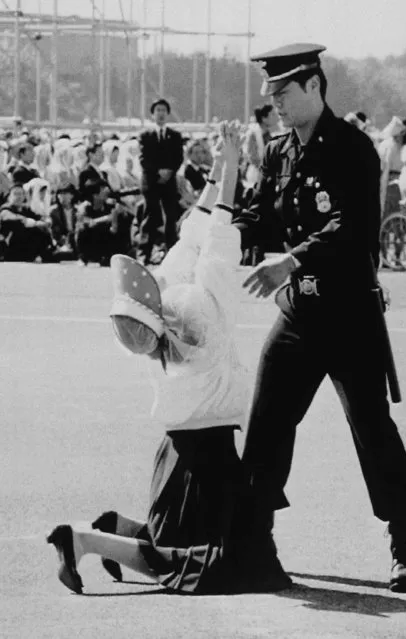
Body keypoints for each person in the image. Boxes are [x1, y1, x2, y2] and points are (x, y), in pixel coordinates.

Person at [46, 122, 289, 596]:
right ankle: (82, 540)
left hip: (175, 453)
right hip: (210, 459)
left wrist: (224, 167)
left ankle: (112, 527)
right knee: (207, 564)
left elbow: (198, 231)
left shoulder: (157, 319)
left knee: (187, 549)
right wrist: (233, 163)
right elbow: (214, 234)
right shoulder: (205, 317)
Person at [233, 43, 406, 593]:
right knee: (267, 422)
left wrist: (290, 259)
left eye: (284, 94)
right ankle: (255, 535)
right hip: (298, 311)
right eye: (271, 97)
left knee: (371, 428)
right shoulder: (277, 152)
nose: (276, 105)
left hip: (349, 314)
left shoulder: (353, 149)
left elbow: (354, 228)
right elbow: (258, 216)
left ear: (314, 87)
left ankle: (403, 538)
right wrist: (214, 230)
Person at [137, 98, 184, 265]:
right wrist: (158, 173)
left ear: (168, 113)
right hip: (151, 182)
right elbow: (144, 159)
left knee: (171, 217)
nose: (161, 113)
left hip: (169, 182)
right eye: (158, 110)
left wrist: (169, 172)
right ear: (152, 114)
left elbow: (178, 158)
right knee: (150, 216)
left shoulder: (175, 136)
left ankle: (172, 254)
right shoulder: (145, 135)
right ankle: (144, 253)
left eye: (164, 110)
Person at [0, 183, 57, 262]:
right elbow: (12, 217)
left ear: (24, 196)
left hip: (26, 247)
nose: (18, 197)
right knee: (34, 228)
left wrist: (46, 220)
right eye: (15, 194)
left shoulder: (26, 209)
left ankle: (50, 253)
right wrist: (33, 223)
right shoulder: (5, 209)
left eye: (21, 194)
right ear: (9, 197)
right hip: (11, 248)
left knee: (41, 230)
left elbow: (38, 216)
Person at [243, 103, 280, 190]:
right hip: (255, 174)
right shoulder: (253, 134)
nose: (276, 117)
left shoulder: (269, 135)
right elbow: (252, 156)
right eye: (272, 114)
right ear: (264, 118)